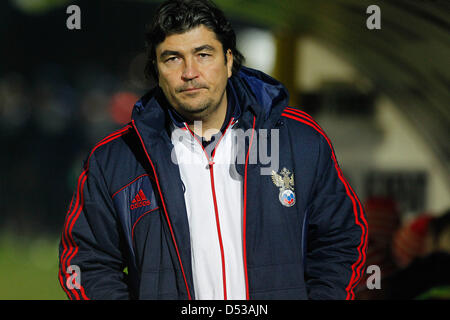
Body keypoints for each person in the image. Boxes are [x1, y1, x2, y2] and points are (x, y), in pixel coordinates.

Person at [58, 0, 367, 300]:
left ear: (229, 61)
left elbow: (342, 239)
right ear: (155, 69)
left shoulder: (298, 140)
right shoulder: (115, 159)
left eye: (203, 54)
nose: (190, 72)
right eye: (172, 58)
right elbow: (86, 261)